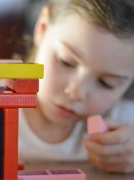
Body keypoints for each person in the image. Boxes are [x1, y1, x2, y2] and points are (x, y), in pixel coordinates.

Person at [18, 0, 134, 174]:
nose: (76, 93)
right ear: (42, 28)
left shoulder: (125, 123)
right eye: (66, 62)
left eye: (106, 83)